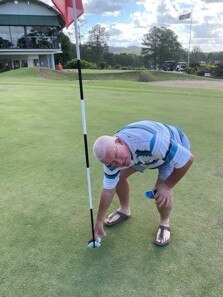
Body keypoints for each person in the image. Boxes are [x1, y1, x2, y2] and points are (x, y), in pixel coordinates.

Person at [92, 120, 194, 246]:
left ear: (119, 141)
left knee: (160, 192)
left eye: (117, 155)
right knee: (117, 178)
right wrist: (98, 221)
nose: (119, 163)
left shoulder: (154, 141)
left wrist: (167, 186)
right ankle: (124, 210)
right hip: (140, 155)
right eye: (112, 162)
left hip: (168, 152)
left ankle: (164, 222)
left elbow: (187, 159)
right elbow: (108, 190)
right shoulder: (111, 158)